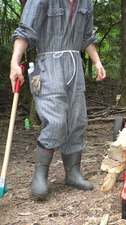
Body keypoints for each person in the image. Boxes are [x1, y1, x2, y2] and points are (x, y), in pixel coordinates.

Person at [10, 0, 106, 198]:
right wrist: (14, 62)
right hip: (49, 65)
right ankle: (40, 176)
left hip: (75, 66)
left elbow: (86, 37)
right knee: (56, 121)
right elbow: (25, 31)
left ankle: (73, 173)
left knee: (77, 120)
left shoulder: (86, 3)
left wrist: (97, 62)